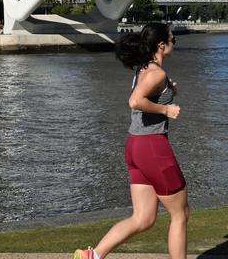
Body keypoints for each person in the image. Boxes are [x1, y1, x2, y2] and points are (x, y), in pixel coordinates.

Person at [75, 22, 188, 259]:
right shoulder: (157, 73)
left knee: (143, 218)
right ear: (161, 45)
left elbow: (148, 94)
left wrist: (169, 92)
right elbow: (135, 101)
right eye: (172, 39)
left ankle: (92, 256)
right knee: (180, 215)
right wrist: (166, 110)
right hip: (153, 147)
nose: (174, 43)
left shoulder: (143, 69)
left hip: (135, 147)